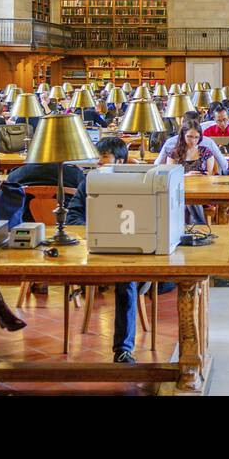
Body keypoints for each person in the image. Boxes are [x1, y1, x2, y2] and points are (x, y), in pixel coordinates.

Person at [66, 137, 143, 363]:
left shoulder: (136, 183)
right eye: (98, 157)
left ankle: (123, 349)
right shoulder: (88, 183)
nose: (99, 162)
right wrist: (93, 232)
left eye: (104, 157)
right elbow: (73, 217)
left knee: (126, 281)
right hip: (92, 249)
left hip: (127, 249)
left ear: (119, 160)